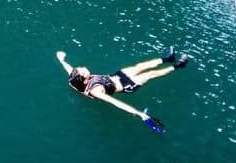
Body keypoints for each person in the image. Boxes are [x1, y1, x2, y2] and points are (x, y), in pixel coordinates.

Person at [56, 49, 189, 133]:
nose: (82, 67)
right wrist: (139, 113)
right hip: (127, 85)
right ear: (84, 79)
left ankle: (168, 58)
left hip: (116, 76)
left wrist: (61, 59)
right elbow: (116, 103)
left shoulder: (74, 79)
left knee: (140, 66)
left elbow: (68, 68)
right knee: (150, 74)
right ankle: (178, 66)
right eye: (82, 70)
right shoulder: (96, 90)